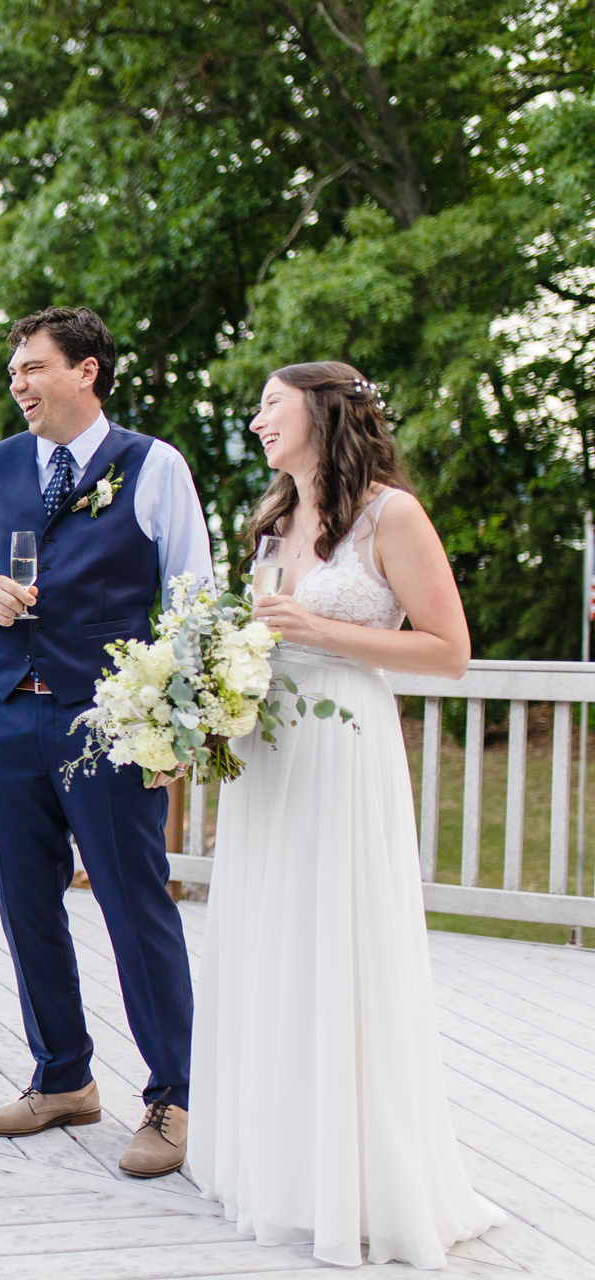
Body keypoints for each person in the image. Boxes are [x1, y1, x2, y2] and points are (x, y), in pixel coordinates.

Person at [188, 363, 503, 1266]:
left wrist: (319, 633)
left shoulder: (390, 515)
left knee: (338, 945)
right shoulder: (273, 518)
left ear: (322, 412)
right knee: (271, 947)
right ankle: (277, 1171)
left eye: (270, 407)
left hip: (344, 747)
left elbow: (449, 653)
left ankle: (357, 1180)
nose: (256, 422)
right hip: (270, 757)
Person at [0, 306, 212, 1177]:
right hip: (7, 709)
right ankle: (63, 1078)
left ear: (87, 371)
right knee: (24, 897)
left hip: (110, 720)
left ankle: (175, 1099)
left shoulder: (153, 465)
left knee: (134, 902)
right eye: (14, 371)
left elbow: (192, 596)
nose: (18, 383)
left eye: (34, 367)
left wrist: (176, 718)